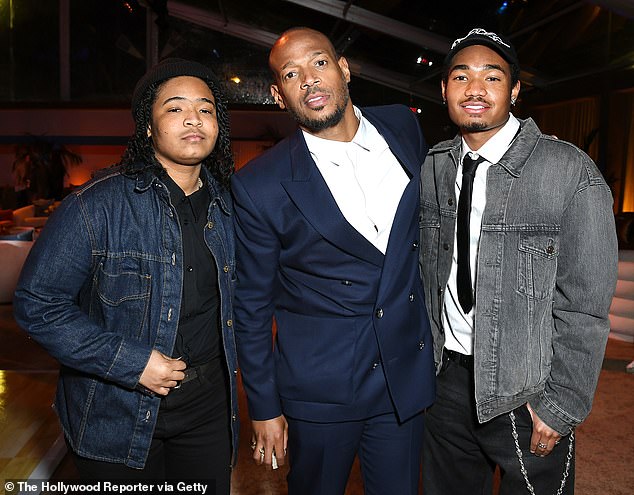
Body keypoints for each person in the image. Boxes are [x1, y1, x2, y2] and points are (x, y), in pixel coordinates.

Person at [13, 58, 238, 493]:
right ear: (148, 128)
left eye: (206, 108)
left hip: (208, 408)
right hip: (116, 411)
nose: (193, 118)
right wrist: (133, 363)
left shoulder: (230, 204)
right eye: (175, 108)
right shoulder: (97, 204)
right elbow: (37, 304)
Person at [232, 27, 435, 495]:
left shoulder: (403, 126)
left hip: (401, 378)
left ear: (343, 69)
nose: (309, 80)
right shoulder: (261, 184)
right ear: (278, 95)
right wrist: (263, 405)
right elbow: (252, 305)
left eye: (319, 63)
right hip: (321, 390)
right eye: (291, 74)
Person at [419, 28, 619, 494]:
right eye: (460, 76)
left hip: (526, 389)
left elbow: (586, 305)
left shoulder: (567, 171)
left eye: (492, 77)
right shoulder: (434, 166)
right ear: (444, 89)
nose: (474, 89)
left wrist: (561, 404)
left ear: (514, 91)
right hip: (445, 384)